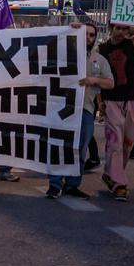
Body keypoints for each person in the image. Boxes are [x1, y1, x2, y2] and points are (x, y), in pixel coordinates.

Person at [47, 22, 114, 199]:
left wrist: (92, 81)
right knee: (58, 146)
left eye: (92, 35)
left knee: (80, 149)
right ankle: (54, 184)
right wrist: (68, 28)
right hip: (61, 108)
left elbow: (110, 82)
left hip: (85, 110)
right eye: (85, 34)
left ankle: (72, 185)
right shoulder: (65, 53)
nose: (88, 38)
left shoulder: (99, 60)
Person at [99, 23, 134, 202]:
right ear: (111, 28)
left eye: (125, 29)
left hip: (132, 100)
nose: (121, 32)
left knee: (127, 144)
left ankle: (110, 174)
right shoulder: (101, 49)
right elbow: (99, 76)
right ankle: (119, 184)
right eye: (117, 28)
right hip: (112, 100)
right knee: (115, 142)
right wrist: (100, 102)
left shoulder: (130, 45)